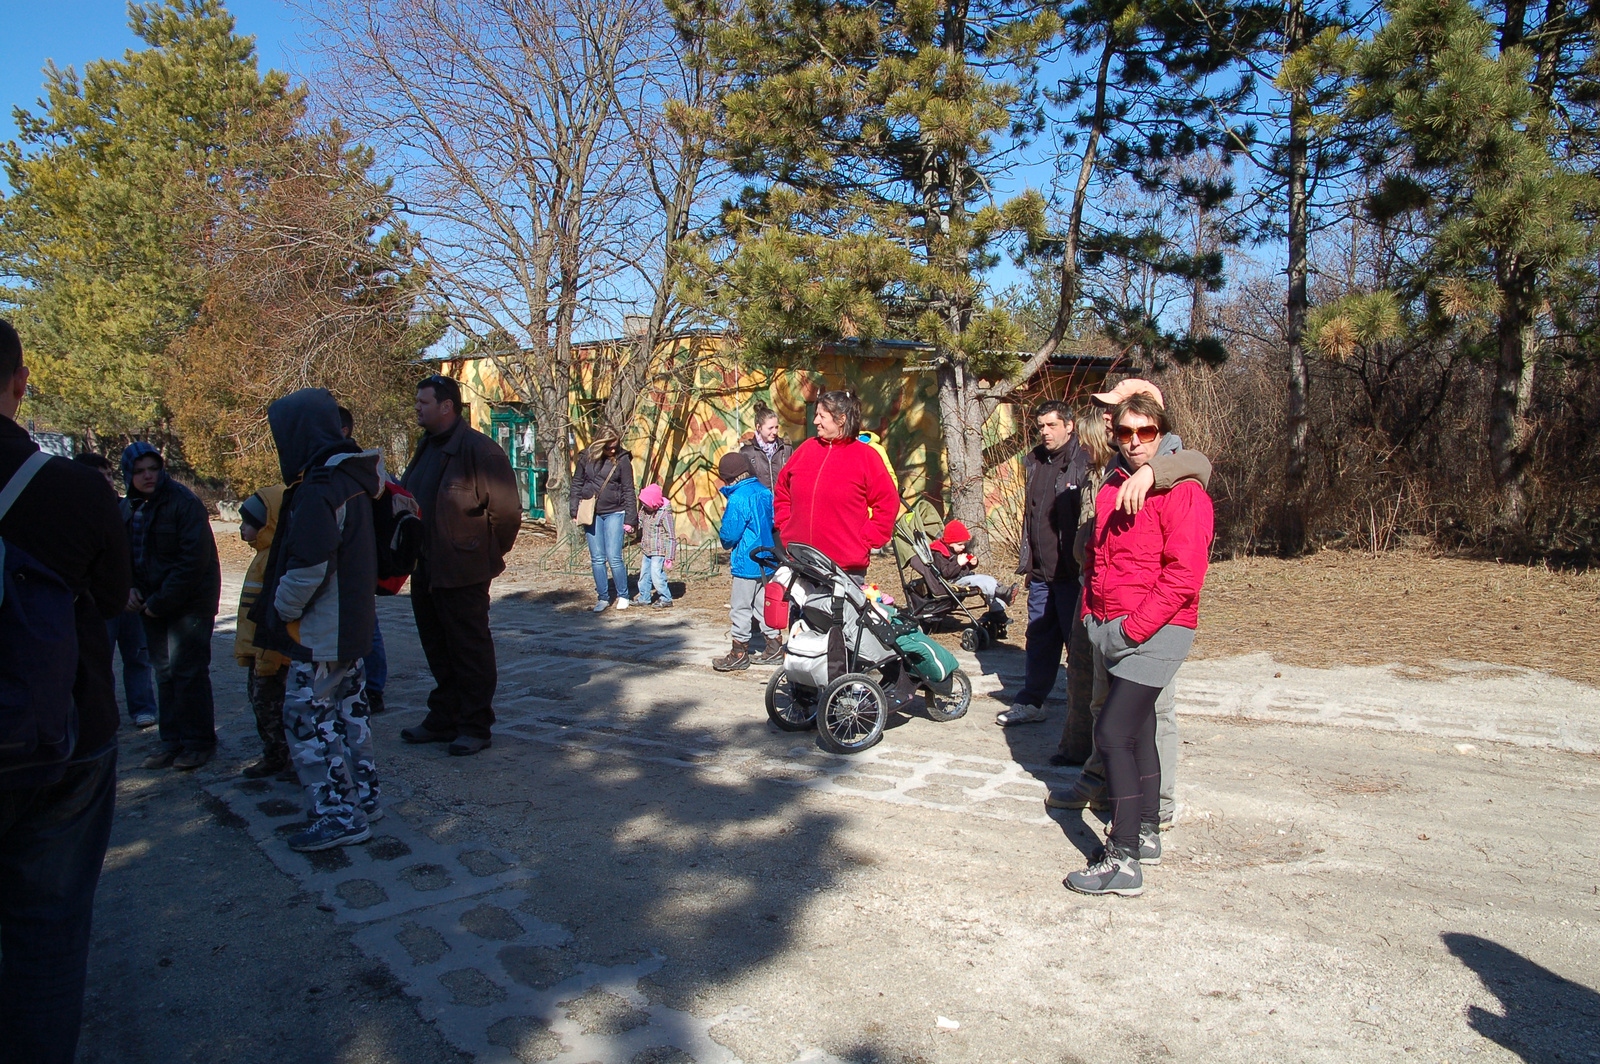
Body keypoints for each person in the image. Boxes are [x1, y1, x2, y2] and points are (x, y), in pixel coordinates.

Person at [0, 318, 131, 1064]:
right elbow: (113, 600)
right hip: (63, 728)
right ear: (21, 384)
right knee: (47, 936)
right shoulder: (76, 491)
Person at [1065, 391, 1213, 897]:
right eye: (1125, 433)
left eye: (1144, 433)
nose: (1134, 442)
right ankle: (1146, 830)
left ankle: (1123, 856)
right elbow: (1098, 556)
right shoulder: (1112, 486)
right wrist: (1090, 614)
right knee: (1140, 729)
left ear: (1161, 433)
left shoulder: (1184, 491)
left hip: (1158, 628)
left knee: (1111, 733)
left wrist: (1133, 629)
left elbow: (1183, 577)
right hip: (1112, 621)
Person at [249, 388, 384, 851]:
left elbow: (307, 567)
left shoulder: (318, 489)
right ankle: (364, 798)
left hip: (320, 632)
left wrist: (280, 612)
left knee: (307, 720)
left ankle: (339, 815)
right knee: (351, 716)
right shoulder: (352, 479)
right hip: (351, 626)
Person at [399, 373, 522, 756]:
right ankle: (444, 718)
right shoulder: (426, 447)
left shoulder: (480, 451)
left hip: (463, 571)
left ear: (447, 406)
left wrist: (481, 553)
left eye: (424, 402)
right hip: (425, 569)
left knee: (469, 650)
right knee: (437, 647)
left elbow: (507, 514)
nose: (417, 408)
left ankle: (474, 725)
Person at [119, 442, 221, 770]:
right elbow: (122, 555)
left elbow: (192, 561)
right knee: (164, 673)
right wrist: (129, 588)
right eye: (140, 471)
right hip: (151, 605)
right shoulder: (128, 508)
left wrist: (160, 602)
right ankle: (172, 741)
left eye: (154, 468)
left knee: (188, 672)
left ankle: (198, 744)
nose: (148, 476)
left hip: (188, 604)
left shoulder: (183, 503)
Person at [997, 400, 1087, 726]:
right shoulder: (1035, 461)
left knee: (1079, 647)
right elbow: (1031, 517)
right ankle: (1032, 702)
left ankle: (1084, 715)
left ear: (1069, 425)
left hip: (1073, 576)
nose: (1045, 432)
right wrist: (1030, 564)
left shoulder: (1084, 462)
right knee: (1038, 640)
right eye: (1041, 426)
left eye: (1051, 425)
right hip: (1040, 575)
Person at [774, 390, 899, 584]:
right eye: (816, 415)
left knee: (832, 615)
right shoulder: (806, 449)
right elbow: (783, 489)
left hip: (844, 569)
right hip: (799, 560)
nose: (815, 421)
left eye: (822, 416)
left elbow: (888, 502)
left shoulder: (866, 457)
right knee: (776, 609)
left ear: (841, 419)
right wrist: (785, 524)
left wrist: (866, 539)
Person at [74, 452, 157, 729]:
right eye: (101, 475)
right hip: (97, 600)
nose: (107, 481)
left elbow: (137, 552)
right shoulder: (72, 512)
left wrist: (134, 587)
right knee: (98, 661)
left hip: (131, 597)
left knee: (138, 656)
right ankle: (102, 713)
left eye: (109, 474)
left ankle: (143, 707)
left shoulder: (127, 508)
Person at [235, 486, 292, 779]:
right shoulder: (262, 555)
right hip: (258, 650)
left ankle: (289, 759)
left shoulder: (275, 559)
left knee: (275, 707)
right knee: (260, 704)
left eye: (249, 522)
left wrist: (267, 656)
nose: (242, 527)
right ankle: (274, 756)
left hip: (271, 653)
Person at [338, 405, 389, 714]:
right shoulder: (338, 466)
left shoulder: (360, 468)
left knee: (367, 626)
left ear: (343, 431)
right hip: (349, 559)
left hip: (358, 559)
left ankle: (372, 688)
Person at [712, 453, 780, 671]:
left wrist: (724, 539)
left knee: (741, 607)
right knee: (763, 605)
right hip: (767, 558)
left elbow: (730, 534)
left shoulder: (738, 497)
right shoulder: (764, 491)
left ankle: (739, 652)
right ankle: (775, 645)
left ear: (728, 477)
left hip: (746, 561)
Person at [569, 427, 638, 612]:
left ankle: (623, 595)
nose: (613, 450)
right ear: (599, 444)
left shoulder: (623, 460)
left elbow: (629, 490)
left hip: (616, 512)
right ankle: (603, 597)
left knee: (614, 556)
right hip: (591, 513)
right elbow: (577, 483)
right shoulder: (585, 458)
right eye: (609, 447)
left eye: (615, 446)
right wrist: (574, 510)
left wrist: (631, 518)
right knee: (597, 558)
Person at [928, 519, 1015, 614]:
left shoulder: (957, 550)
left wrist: (972, 563)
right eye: (960, 544)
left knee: (988, 581)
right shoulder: (940, 553)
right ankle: (1001, 592)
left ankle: (999, 611)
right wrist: (958, 563)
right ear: (949, 543)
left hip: (963, 577)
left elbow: (965, 567)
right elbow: (946, 573)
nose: (963, 547)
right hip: (952, 581)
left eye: (964, 544)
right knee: (981, 581)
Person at [635, 483, 676, 609]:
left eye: (646, 504)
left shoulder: (664, 514)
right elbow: (640, 522)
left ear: (654, 503)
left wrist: (670, 556)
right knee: (644, 575)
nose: (644, 506)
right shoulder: (645, 510)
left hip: (659, 551)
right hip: (647, 549)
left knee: (656, 574)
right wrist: (631, 527)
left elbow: (671, 536)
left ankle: (666, 598)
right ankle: (644, 597)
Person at [739, 407, 793, 491]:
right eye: (770, 428)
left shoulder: (785, 448)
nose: (774, 432)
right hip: (759, 502)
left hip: (782, 501)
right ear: (758, 427)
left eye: (776, 427)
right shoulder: (747, 452)